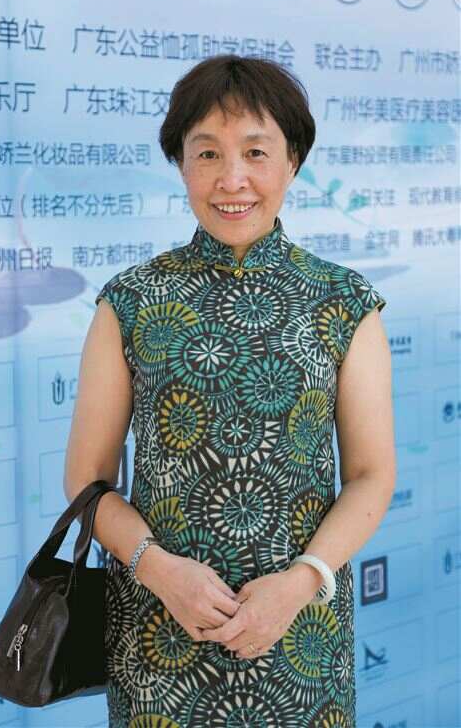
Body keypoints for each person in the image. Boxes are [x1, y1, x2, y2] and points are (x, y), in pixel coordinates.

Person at [63, 54, 396, 727]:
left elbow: (371, 474)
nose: (232, 179)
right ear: (181, 164)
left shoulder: (343, 301)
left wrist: (301, 582)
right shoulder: (130, 302)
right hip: (158, 636)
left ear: (293, 161)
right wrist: (159, 571)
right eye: (207, 153)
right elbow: (87, 483)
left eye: (256, 152)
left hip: (301, 637)